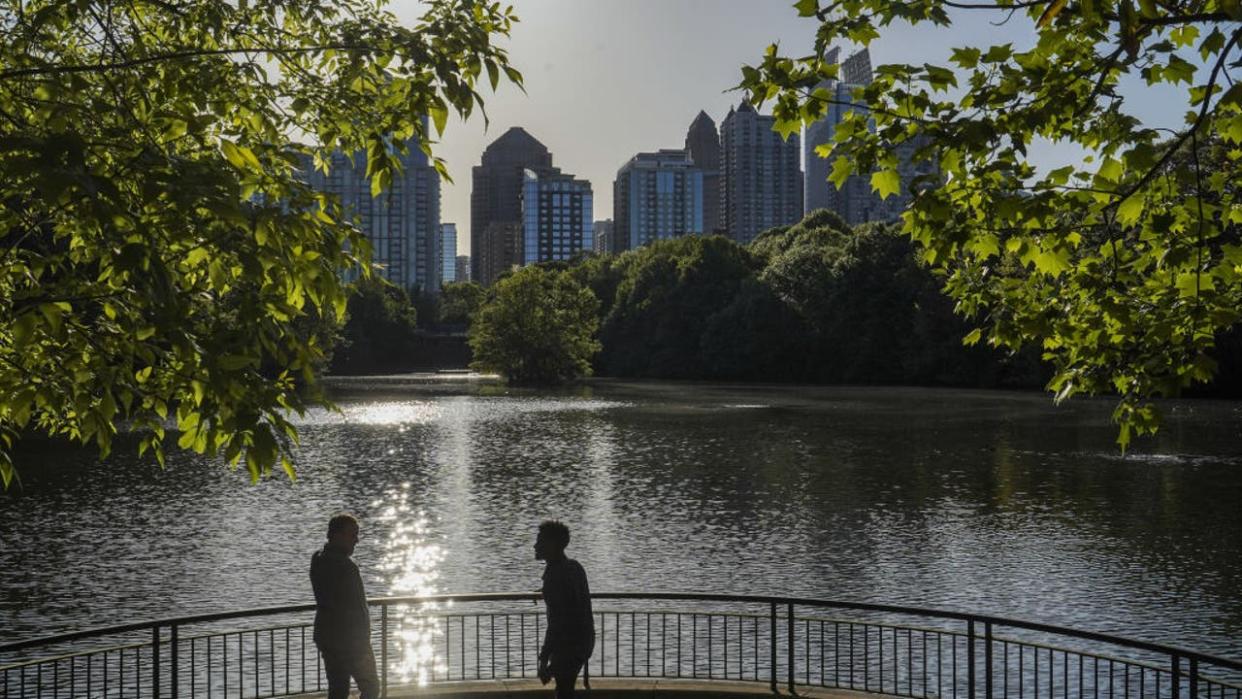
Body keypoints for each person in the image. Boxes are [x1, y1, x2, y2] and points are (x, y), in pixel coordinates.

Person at [311, 513, 379, 699]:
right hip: (352, 641)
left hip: (327, 637)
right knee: (371, 688)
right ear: (337, 535)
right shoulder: (346, 566)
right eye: (352, 535)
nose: (356, 540)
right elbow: (354, 607)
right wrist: (362, 641)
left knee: (338, 690)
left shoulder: (318, 559)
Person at [535, 520, 595, 699]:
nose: (535, 545)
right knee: (565, 689)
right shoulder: (574, 567)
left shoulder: (555, 576)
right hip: (584, 641)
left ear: (552, 545)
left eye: (540, 541)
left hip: (567, 645)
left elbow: (557, 622)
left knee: (563, 691)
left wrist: (544, 658)